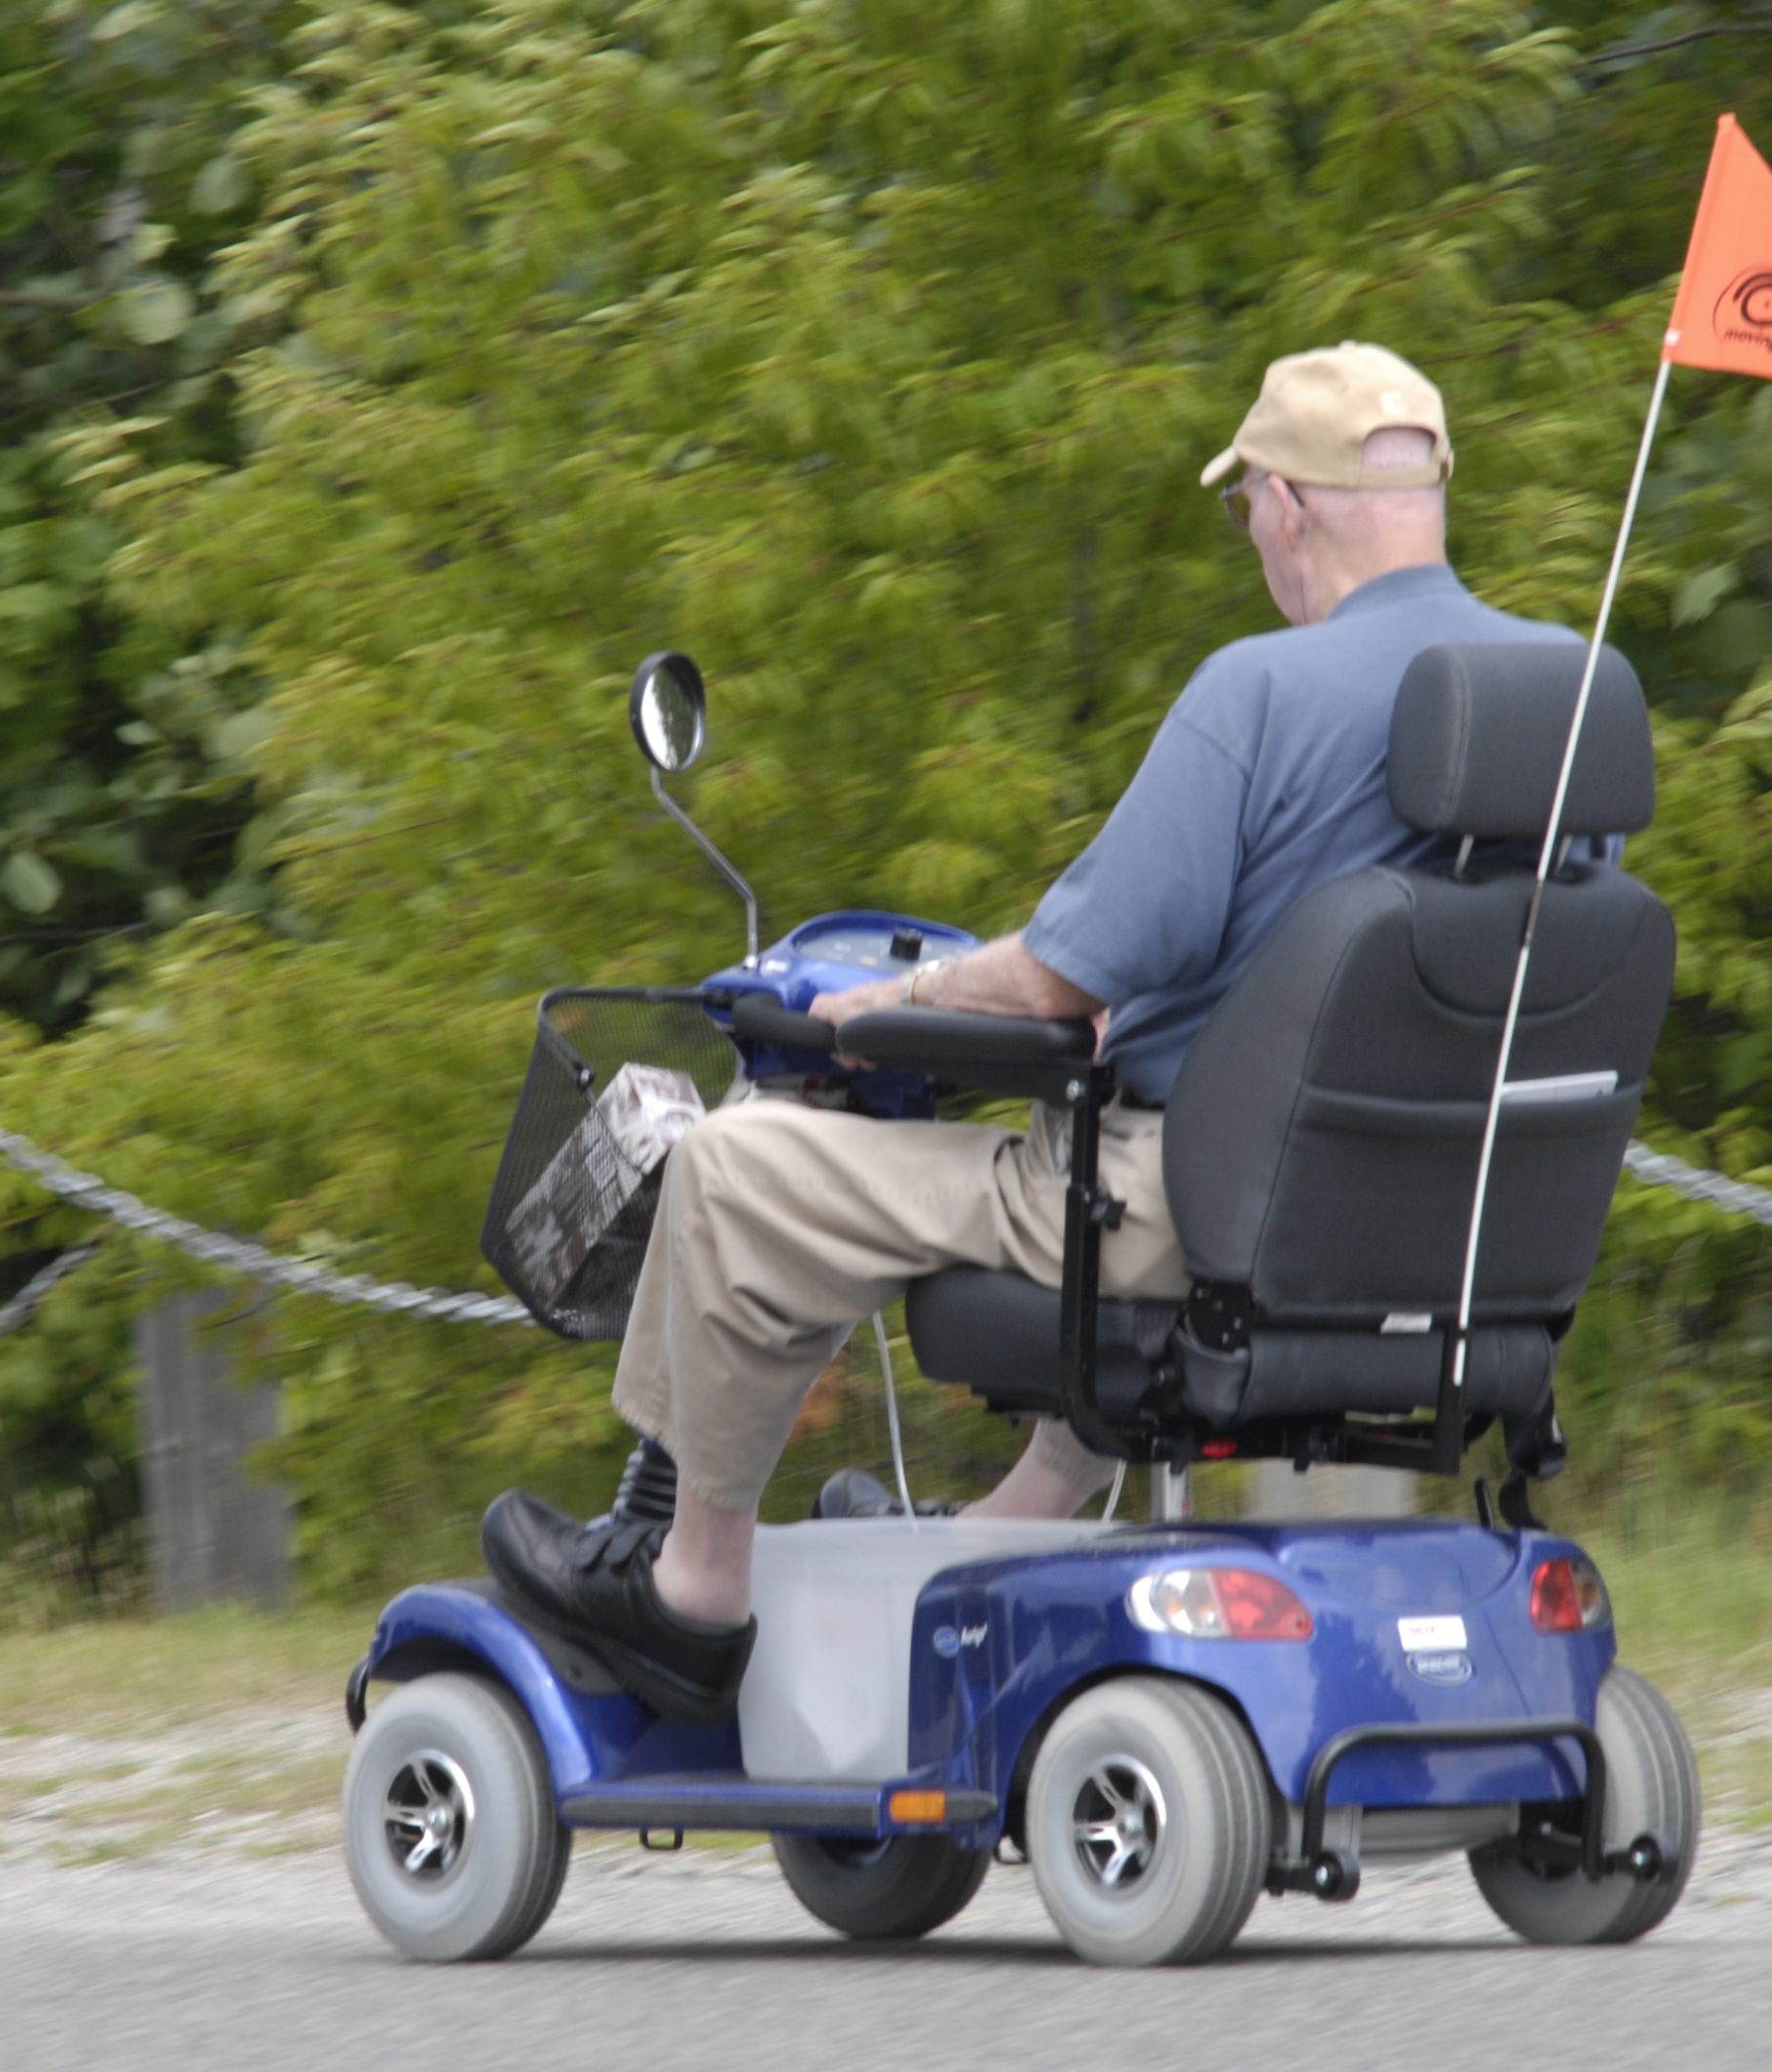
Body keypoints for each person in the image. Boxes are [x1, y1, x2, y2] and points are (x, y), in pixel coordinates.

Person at [481, 341, 1587, 1724]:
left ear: (1290, 505)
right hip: (1456, 1229)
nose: (1248, 533)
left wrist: (873, 1006)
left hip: (1192, 1218)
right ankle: (1007, 1527)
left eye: (1243, 504)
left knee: (740, 1168)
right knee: (1093, 1156)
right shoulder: (1556, 707)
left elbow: (1066, 976)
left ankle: (693, 1591)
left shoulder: (1261, 695)